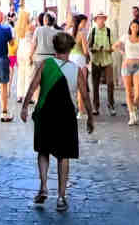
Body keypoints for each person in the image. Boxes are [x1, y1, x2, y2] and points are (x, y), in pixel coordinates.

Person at [21, 29, 93, 210]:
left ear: (55, 47)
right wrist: (91, 117)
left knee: (43, 151)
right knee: (64, 155)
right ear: (69, 49)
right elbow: (84, 94)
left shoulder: (46, 64)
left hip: (45, 111)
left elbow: (33, 85)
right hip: (66, 114)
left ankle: (43, 186)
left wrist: (24, 107)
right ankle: (61, 197)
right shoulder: (75, 70)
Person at [116, 18, 139, 125]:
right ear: (130, 27)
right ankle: (131, 115)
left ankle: (134, 109)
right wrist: (123, 54)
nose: (135, 28)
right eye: (133, 26)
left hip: (137, 66)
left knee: (138, 94)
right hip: (126, 66)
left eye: (137, 27)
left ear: (138, 29)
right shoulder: (125, 37)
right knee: (129, 92)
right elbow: (115, 46)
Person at [87, 10, 116, 115]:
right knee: (95, 85)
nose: (101, 20)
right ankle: (95, 107)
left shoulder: (109, 31)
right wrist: (94, 49)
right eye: (99, 18)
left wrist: (110, 49)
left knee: (110, 83)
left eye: (102, 18)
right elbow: (88, 46)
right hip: (96, 60)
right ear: (96, 20)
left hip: (107, 60)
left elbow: (114, 45)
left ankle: (111, 105)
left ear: (105, 20)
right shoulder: (92, 31)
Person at [69, 13, 90, 115]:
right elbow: (85, 51)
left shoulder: (69, 32)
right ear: (80, 22)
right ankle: (81, 111)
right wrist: (88, 57)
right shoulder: (82, 33)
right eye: (84, 22)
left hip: (71, 59)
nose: (86, 24)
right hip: (80, 60)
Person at [15, 7, 35, 102]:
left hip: (20, 50)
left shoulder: (18, 27)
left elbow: (16, 41)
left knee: (20, 73)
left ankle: (20, 95)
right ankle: (28, 95)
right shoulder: (30, 26)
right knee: (29, 74)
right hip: (28, 50)